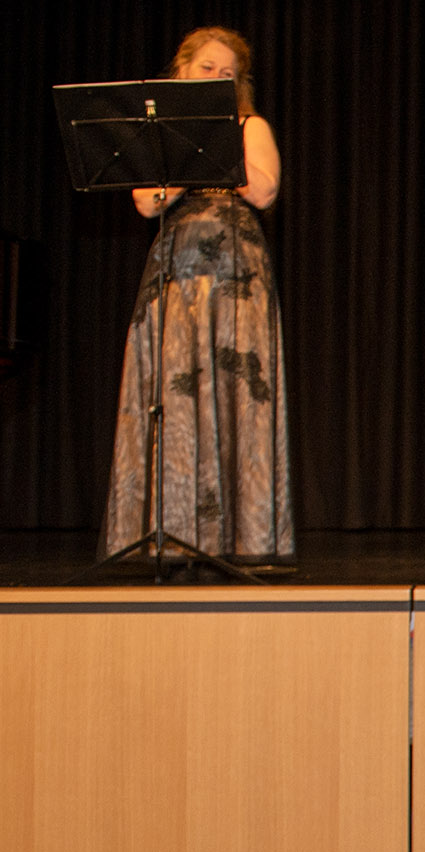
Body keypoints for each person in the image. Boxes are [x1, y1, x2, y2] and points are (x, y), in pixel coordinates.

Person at [103, 26, 291, 562]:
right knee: (175, 392)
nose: (216, 77)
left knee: (237, 390)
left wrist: (212, 140)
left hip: (235, 270)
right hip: (178, 268)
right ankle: (174, 533)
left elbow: (264, 190)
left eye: (227, 73)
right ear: (182, 71)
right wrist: (185, 148)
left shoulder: (249, 125)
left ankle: (244, 538)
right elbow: (147, 202)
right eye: (206, 68)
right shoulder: (161, 133)